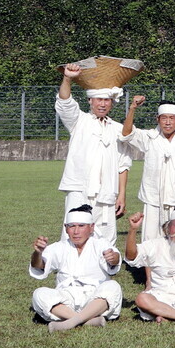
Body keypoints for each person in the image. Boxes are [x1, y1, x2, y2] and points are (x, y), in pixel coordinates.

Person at [54, 64, 132, 246]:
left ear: (112, 102)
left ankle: (103, 271)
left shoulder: (118, 130)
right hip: (79, 189)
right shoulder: (79, 121)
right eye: (98, 100)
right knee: (74, 230)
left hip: (107, 192)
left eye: (106, 100)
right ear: (90, 101)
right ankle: (71, 269)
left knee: (105, 236)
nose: (102, 104)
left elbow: (123, 165)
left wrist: (121, 195)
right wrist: (68, 78)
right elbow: (64, 102)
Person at [29, 206, 123, 331]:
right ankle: (87, 320)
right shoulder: (59, 247)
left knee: (113, 287)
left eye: (81, 226)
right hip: (67, 298)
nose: (76, 231)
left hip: (94, 298)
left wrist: (113, 258)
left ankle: (70, 322)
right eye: (72, 226)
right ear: (66, 228)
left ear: (91, 227)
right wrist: (38, 253)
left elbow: (114, 257)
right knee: (39, 294)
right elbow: (39, 266)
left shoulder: (100, 244)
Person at [121, 96, 175, 241]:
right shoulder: (150, 137)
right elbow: (126, 134)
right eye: (164, 118)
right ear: (158, 119)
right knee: (150, 241)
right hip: (153, 200)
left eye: (172, 118)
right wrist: (132, 108)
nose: (168, 122)